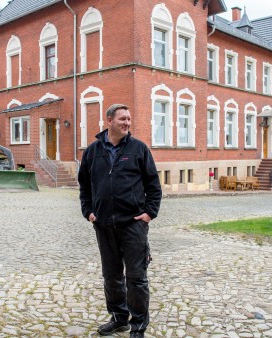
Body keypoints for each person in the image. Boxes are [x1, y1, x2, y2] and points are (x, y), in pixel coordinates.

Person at [78, 103, 162, 337]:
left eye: (128, 119)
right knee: (111, 276)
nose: (127, 123)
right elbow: (84, 185)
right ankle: (119, 318)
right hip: (103, 224)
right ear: (109, 121)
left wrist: (148, 214)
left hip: (133, 224)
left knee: (136, 278)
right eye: (122, 119)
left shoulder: (138, 149)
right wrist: (89, 211)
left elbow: (153, 186)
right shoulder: (92, 152)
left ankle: (138, 326)